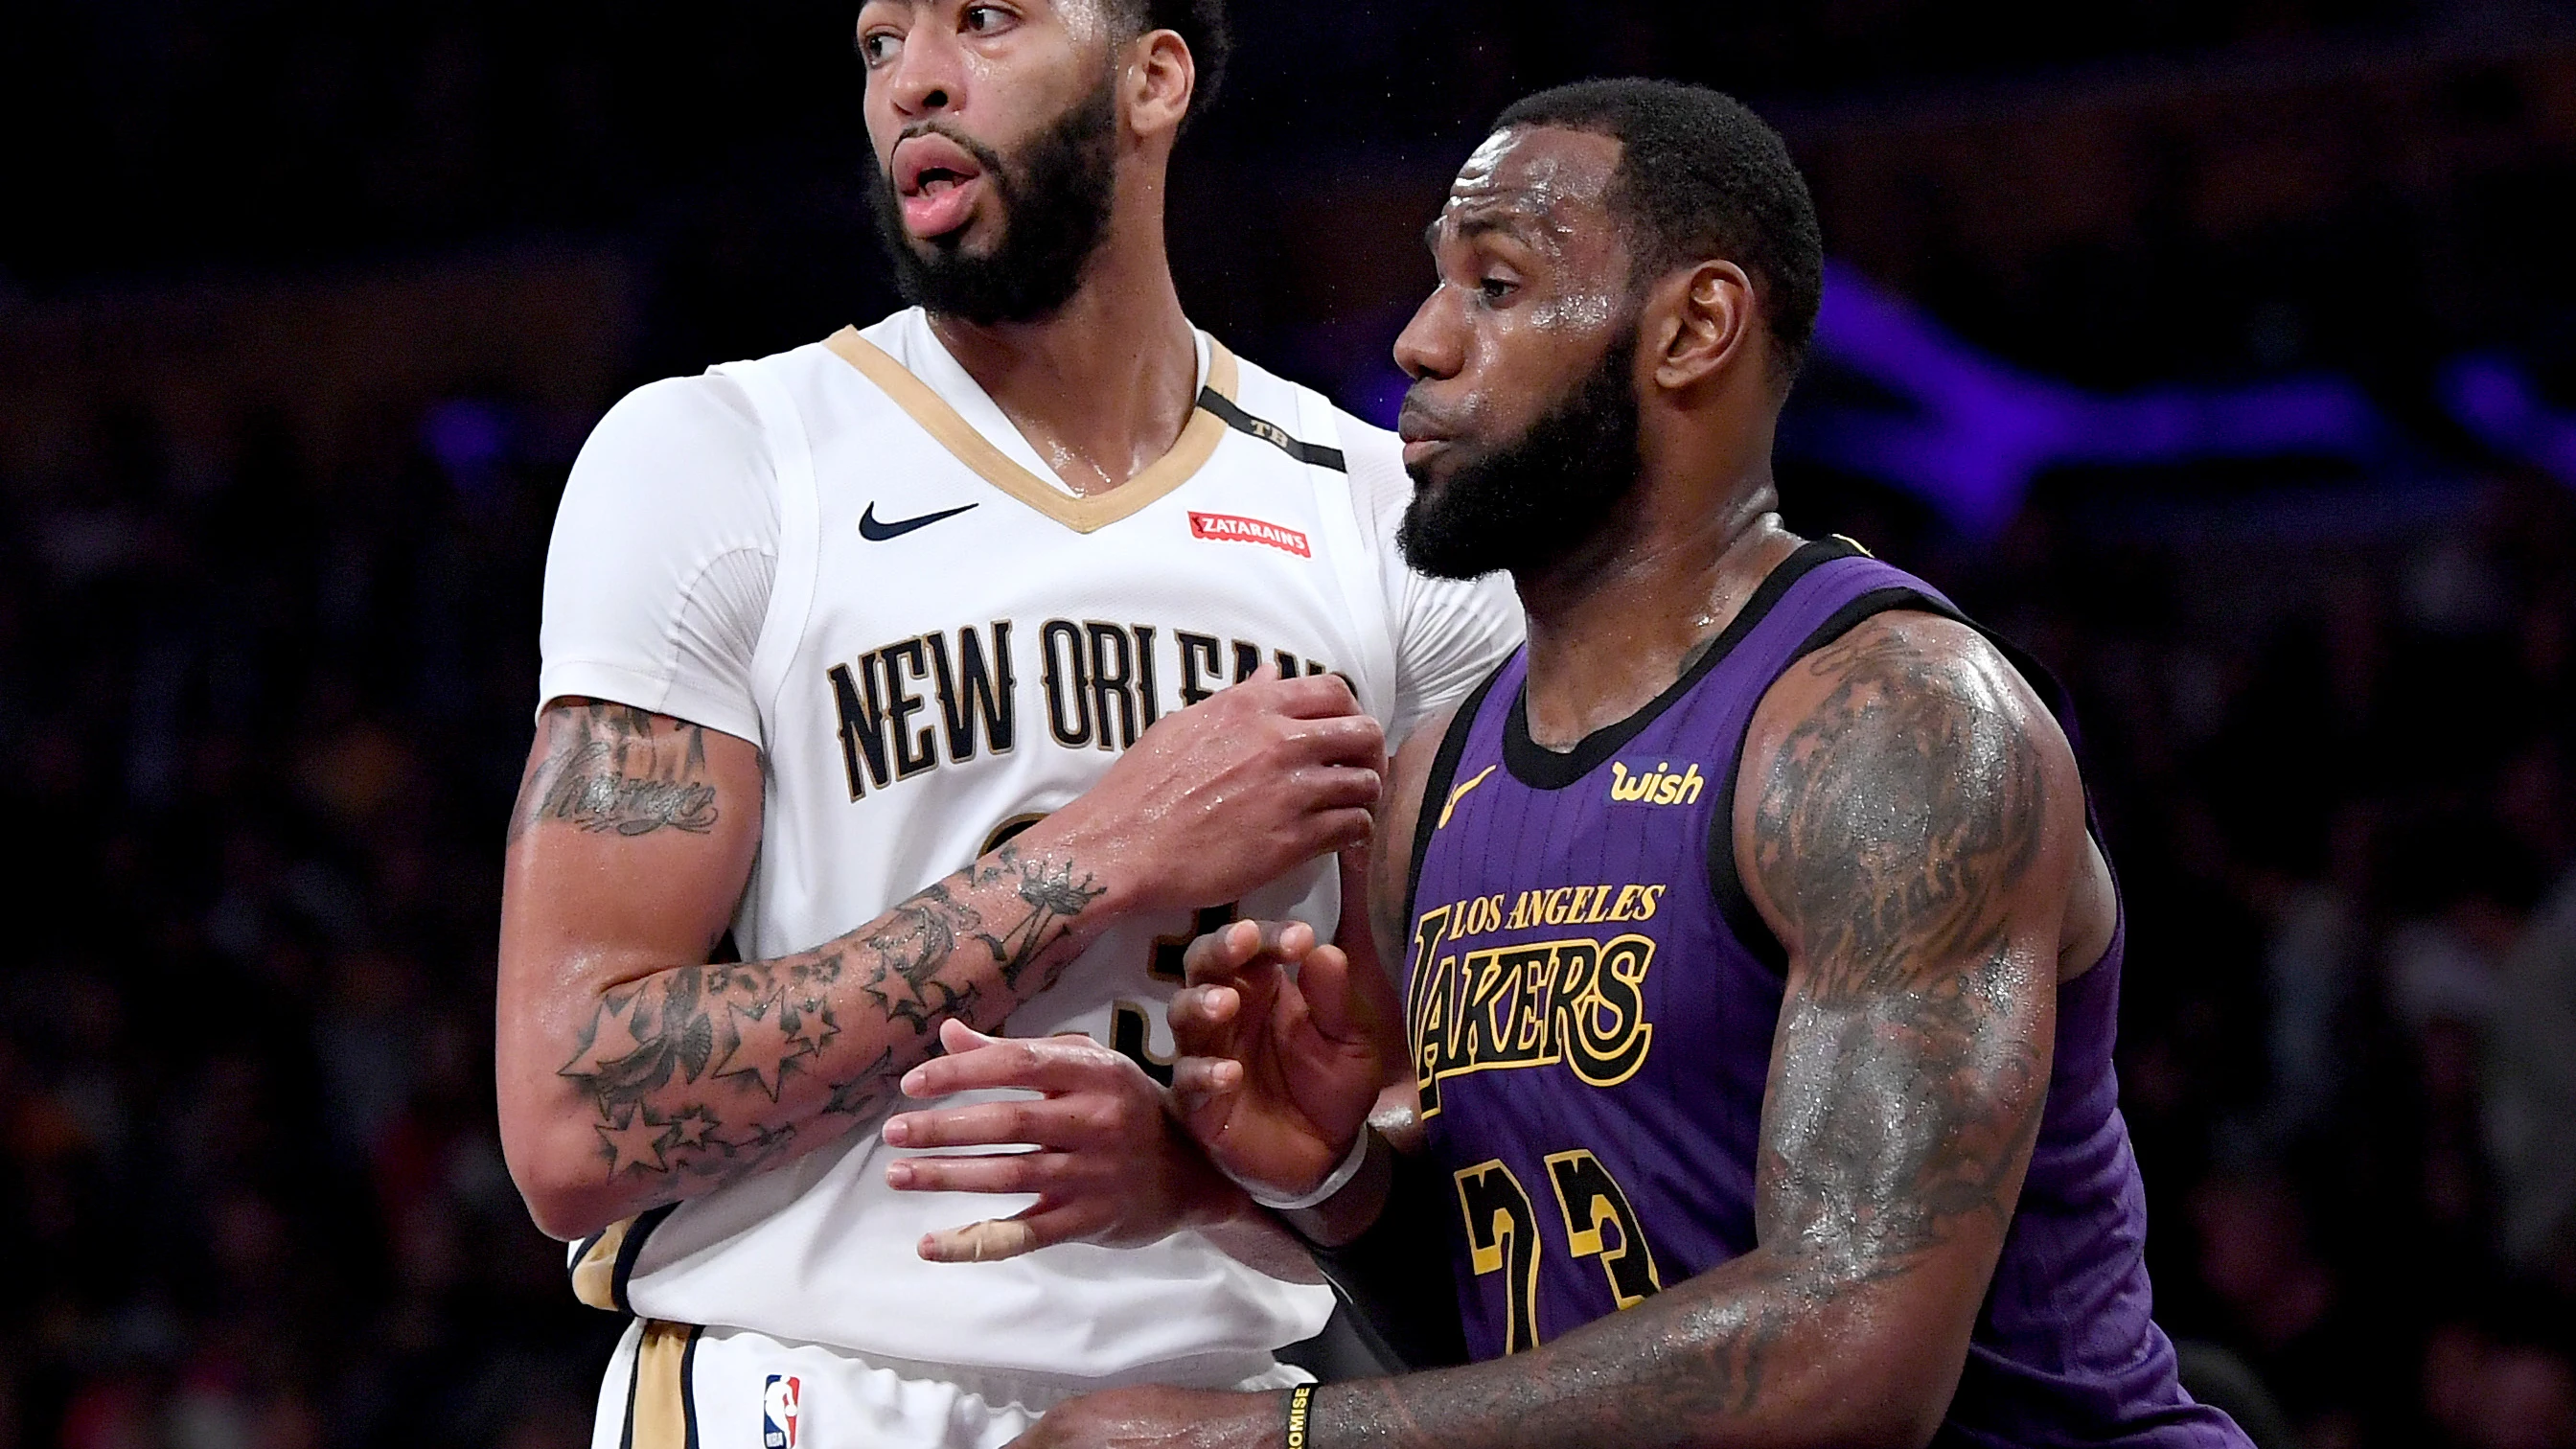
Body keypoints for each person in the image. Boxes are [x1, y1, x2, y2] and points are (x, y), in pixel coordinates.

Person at [932, 79, 2255, 1448]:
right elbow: (1538, 1358)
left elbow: (1855, 1361)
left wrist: (1259, 1438)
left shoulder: (1894, 730)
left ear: (1692, 330)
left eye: (1496, 286)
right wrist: (1326, 1183)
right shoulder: (1438, 780)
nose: (1420, 343)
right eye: (1436, 285)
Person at [492, 2, 1521, 1444]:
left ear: (1152, 77)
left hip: (1217, 1409)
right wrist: (1101, 853)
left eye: (984, 19)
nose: (914, 77)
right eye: (877, 41)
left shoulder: (1385, 521)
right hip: (801, 1388)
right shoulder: (719, 465)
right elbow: (569, 1119)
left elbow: (1481, 1109)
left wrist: (1206, 1172)